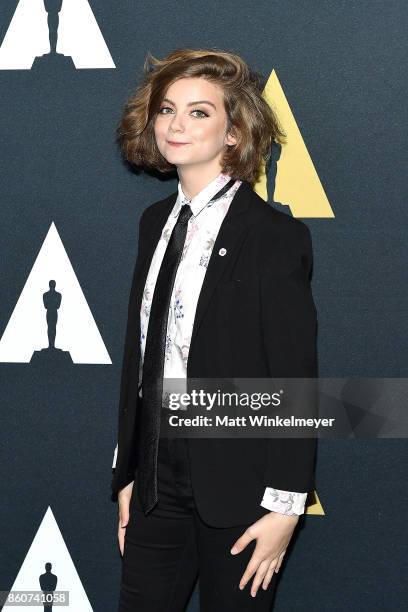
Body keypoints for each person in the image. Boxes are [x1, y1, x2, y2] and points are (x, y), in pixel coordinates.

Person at [111, 48, 318, 611]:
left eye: (200, 112)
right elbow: (143, 354)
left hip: (240, 484)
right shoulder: (154, 222)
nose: (177, 124)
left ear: (235, 131)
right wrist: (128, 472)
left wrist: (285, 506)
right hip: (155, 478)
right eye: (166, 109)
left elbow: (294, 376)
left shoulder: (274, 236)